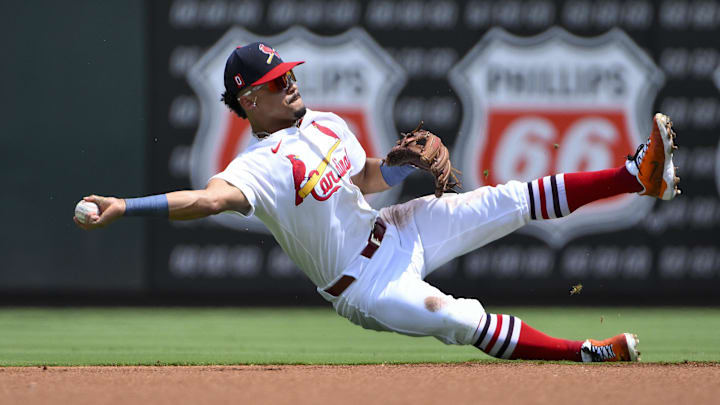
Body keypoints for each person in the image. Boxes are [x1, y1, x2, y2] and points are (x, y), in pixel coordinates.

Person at [75, 42, 680, 362]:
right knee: (456, 316)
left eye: (286, 71)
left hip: (397, 228)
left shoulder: (328, 123)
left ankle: (635, 176)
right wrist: (129, 207)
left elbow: (364, 180)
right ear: (248, 102)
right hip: (364, 287)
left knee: (510, 199)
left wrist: (399, 164)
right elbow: (208, 201)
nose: (288, 81)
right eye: (273, 81)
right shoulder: (255, 167)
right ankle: (588, 354)